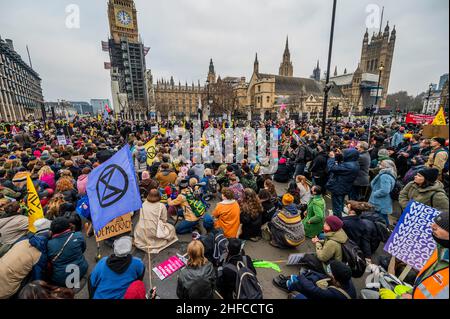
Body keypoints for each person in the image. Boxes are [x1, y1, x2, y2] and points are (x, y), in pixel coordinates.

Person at [380, 211, 449, 299]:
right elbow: (428, 284)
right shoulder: (441, 249)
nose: (432, 226)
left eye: (442, 226)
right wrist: (412, 292)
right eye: (435, 222)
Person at [0, 218, 51, 299]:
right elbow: (37, 278)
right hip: (6, 289)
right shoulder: (40, 254)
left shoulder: (22, 240)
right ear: (49, 232)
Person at [273, 260, 356, 299]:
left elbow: (313, 290)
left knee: (299, 295)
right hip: (327, 293)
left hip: (327, 295)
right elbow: (324, 276)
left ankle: (290, 285)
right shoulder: (345, 279)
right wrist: (310, 272)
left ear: (335, 278)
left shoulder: (334, 294)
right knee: (313, 278)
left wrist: (301, 277)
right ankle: (293, 282)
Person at [47, 217, 88, 287]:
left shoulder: (49, 244)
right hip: (82, 270)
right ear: (68, 226)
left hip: (61, 280)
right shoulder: (78, 235)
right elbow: (83, 249)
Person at [134, 189, 178, 253]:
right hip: (153, 230)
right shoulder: (161, 206)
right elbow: (164, 220)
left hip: (142, 229)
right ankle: (155, 240)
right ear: (159, 196)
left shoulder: (143, 204)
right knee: (171, 228)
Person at [326, 148, 360, 219]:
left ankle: (337, 220)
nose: (342, 155)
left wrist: (332, 158)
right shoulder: (354, 162)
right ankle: (340, 215)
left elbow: (331, 168)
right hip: (344, 186)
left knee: (336, 206)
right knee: (340, 203)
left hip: (338, 187)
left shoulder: (349, 166)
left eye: (344, 154)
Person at [368, 160, 397, 226]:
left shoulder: (385, 176)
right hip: (382, 201)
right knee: (382, 218)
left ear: (386, 166)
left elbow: (385, 190)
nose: (379, 166)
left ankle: (385, 232)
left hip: (380, 202)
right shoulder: (388, 174)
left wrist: (375, 194)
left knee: (381, 219)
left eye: (382, 165)